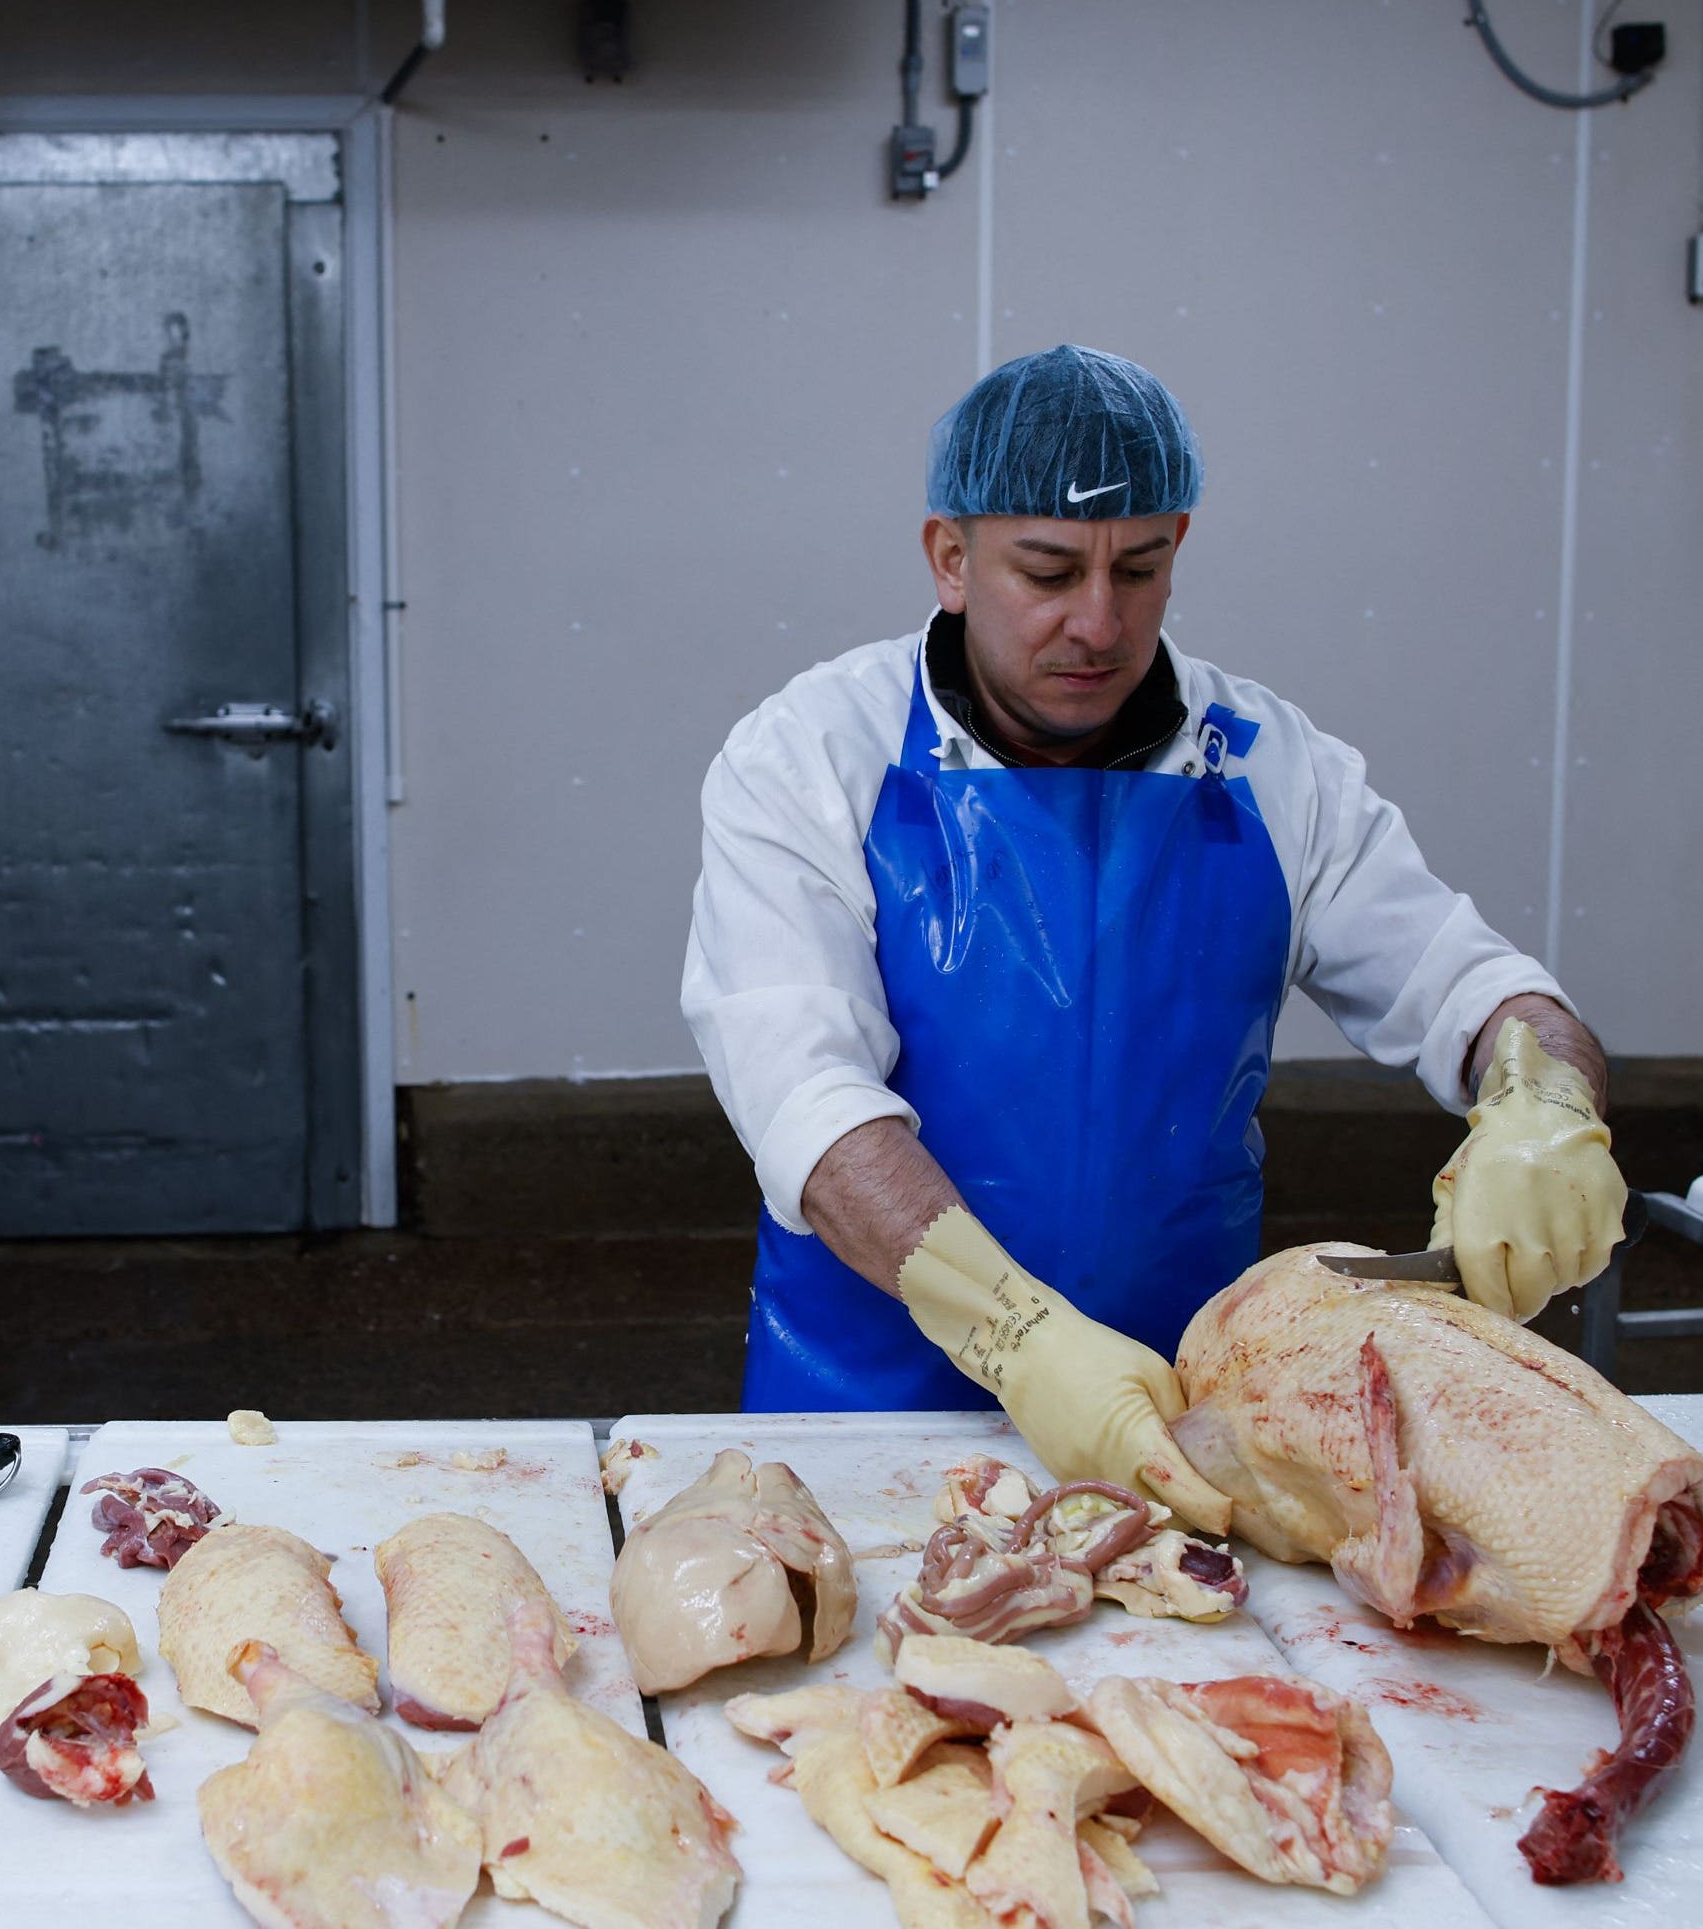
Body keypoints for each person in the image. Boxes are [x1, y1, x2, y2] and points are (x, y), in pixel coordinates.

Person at [679, 344, 1625, 1523]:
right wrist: (1020, 1338)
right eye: (1047, 571)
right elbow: (806, 1104)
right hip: (866, 1424)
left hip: (1195, 1426)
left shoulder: (1268, 766)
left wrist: (1544, 1099)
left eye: (1139, 568)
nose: (1097, 621)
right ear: (951, 559)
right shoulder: (811, 756)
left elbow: (1474, 987)